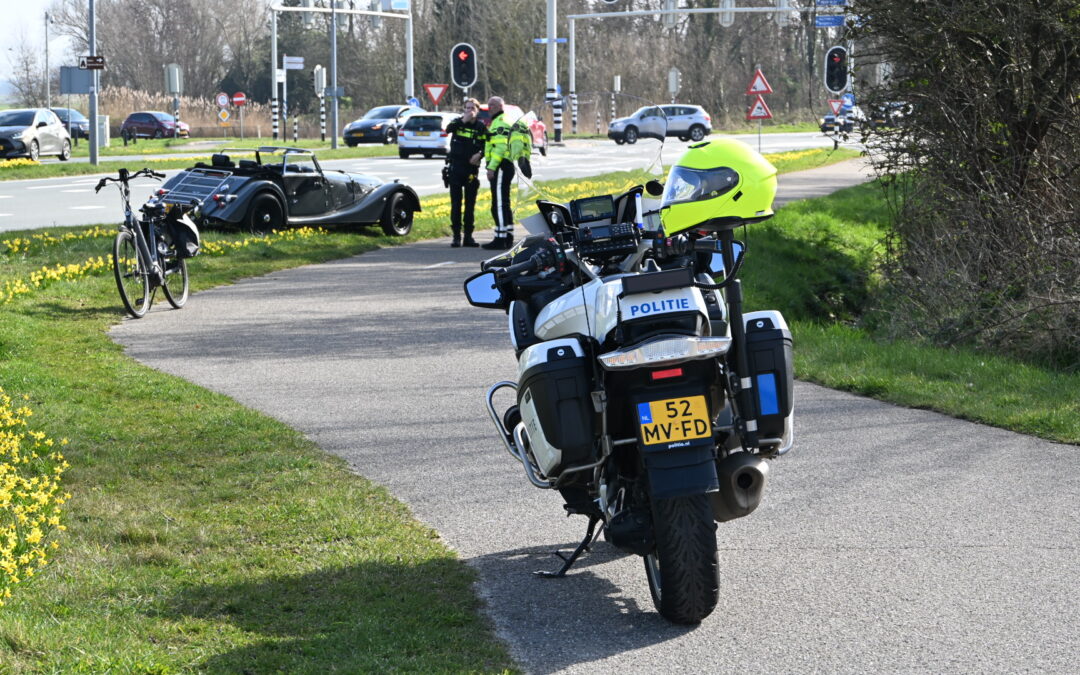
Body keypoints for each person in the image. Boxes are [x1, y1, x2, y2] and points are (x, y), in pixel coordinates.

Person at [443, 98, 487, 247]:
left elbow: (488, 145)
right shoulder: (457, 123)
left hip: (471, 171)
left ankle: (468, 236)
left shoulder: (480, 127)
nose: (469, 111)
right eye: (467, 108)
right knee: (456, 204)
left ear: (477, 110)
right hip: (455, 169)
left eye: (472, 108)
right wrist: (463, 120)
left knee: (470, 205)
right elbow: (447, 129)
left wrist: (480, 155)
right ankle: (456, 236)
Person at [481, 96, 517, 250]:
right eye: (489, 105)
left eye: (493, 105)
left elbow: (500, 148)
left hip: (501, 166)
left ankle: (501, 238)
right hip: (504, 165)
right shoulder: (499, 120)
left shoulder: (501, 122)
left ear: (501, 106)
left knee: (500, 203)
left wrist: (492, 167)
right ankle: (507, 235)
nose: (490, 108)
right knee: (504, 201)